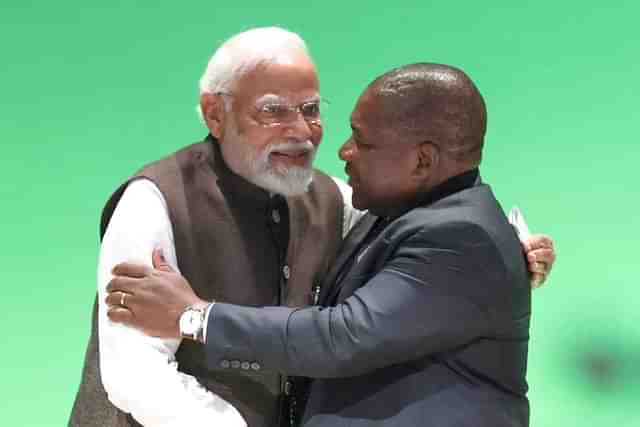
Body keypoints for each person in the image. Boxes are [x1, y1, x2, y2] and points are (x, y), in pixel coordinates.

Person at [72, 27, 554, 427]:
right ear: (215, 113)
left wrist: (511, 256)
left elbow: (419, 255)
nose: (303, 132)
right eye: (273, 110)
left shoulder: (331, 198)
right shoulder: (151, 202)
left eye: (311, 109)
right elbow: (133, 373)